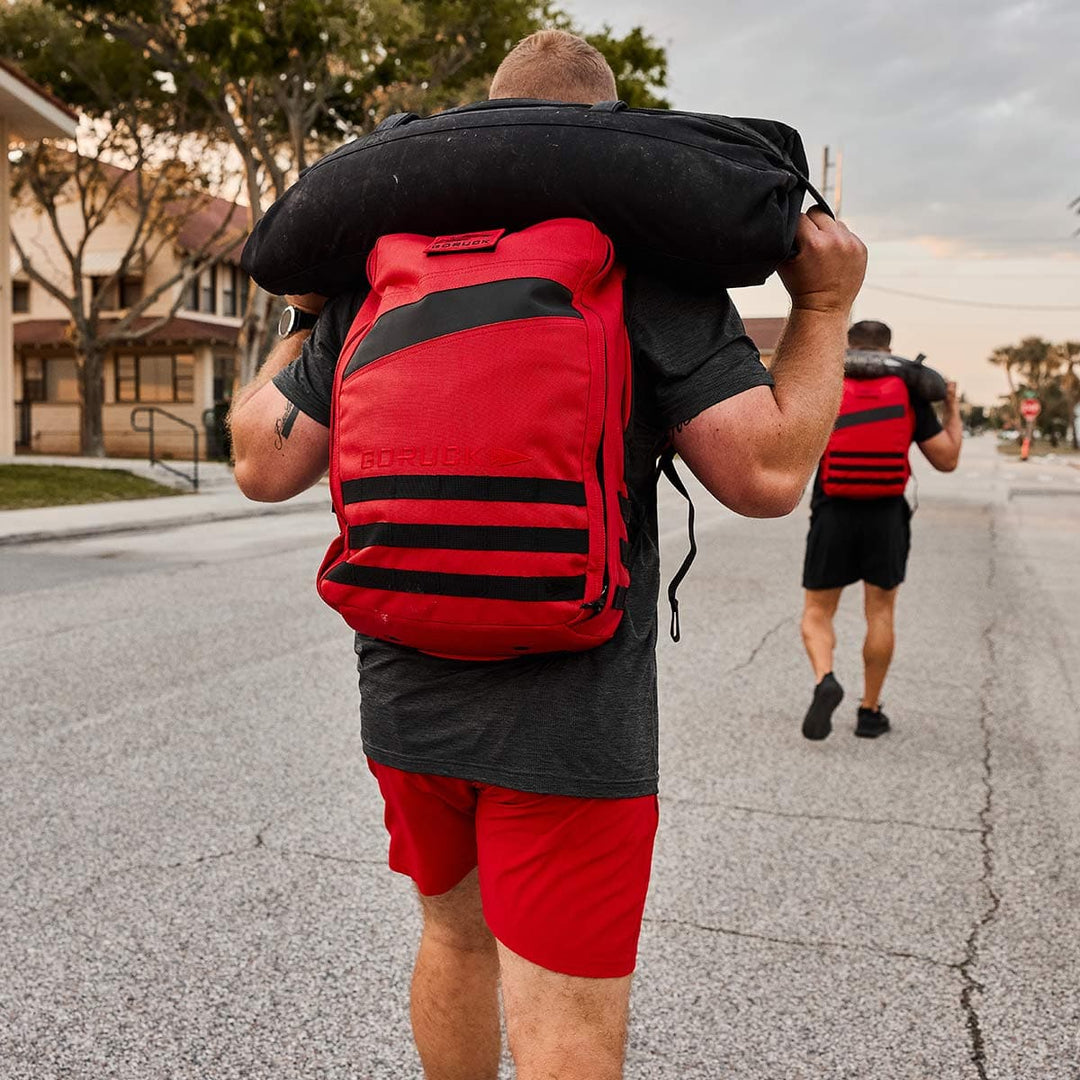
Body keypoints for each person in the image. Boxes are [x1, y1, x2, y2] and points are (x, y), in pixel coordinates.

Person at [229, 29, 867, 1080]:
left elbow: (260, 462)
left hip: (404, 685)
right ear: (607, 132)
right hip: (575, 710)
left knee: (450, 936)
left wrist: (304, 321)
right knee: (564, 1010)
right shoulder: (644, 268)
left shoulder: (380, 276)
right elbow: (762, 475)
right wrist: (825, 305)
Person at [799, 320, 962, 742]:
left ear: (849, 347)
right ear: (888, 349)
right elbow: (946, 460)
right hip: (887, 515)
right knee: (880, 612)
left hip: (833, 510)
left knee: (818, 611)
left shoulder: (829, 383)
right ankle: (870, 712)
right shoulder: (907, 388)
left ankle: (825, 679)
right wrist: (954, 409)